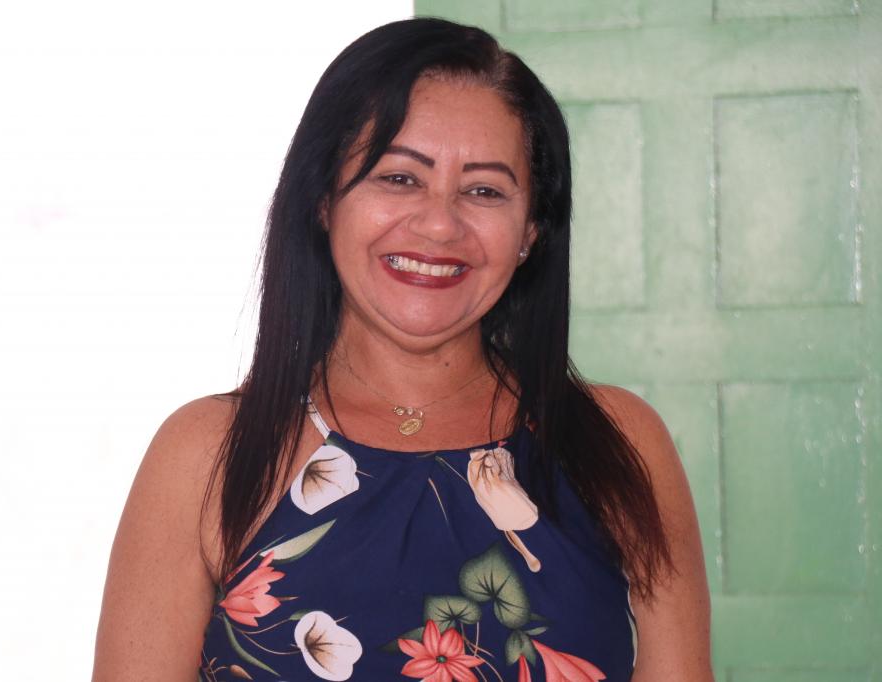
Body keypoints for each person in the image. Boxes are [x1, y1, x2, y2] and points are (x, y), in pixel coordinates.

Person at [92, 17, 712, 682]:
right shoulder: (204, 455)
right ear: (324, 198)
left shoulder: (620, 444)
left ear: (531, 230)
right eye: (399, 178)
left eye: (483, 190)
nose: (439, 223)